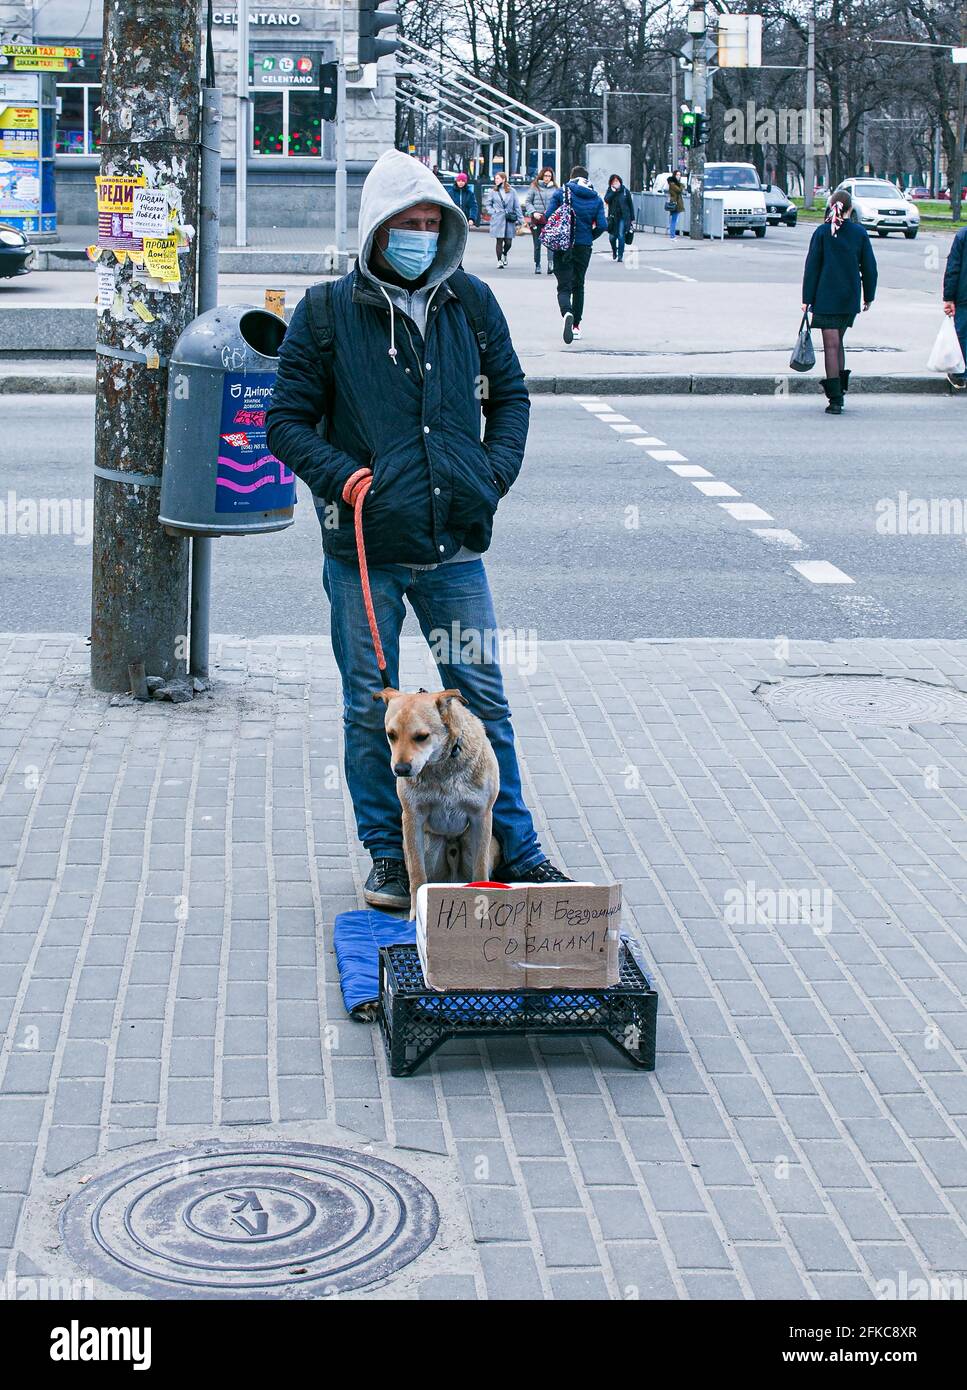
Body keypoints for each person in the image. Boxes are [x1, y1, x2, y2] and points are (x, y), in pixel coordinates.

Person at [265, 150, 569, 909]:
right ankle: (389, 855)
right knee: (370, 705)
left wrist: (487, 474)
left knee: (482, 703)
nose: (422, 235)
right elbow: (283, 422)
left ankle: (516, 847)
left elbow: (513, 397)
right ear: (377, 230)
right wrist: (341, 476)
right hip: (363, 548)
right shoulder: (328, 310)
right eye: (408, 224)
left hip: (454, 545)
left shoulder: (470, 301)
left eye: (433, 223)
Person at [801, 189, 877, 414]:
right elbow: (869, 268)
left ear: (831, 206)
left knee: (831, 346)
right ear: (851, 209)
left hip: (825, 297)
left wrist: (807, 298)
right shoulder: (859, 233)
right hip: (848, 298)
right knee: (839, 343)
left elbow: (812, 267)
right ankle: (840, 391)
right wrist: (868, 296)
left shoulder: (823, 232)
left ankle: (835, 399)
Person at [545, 164, 606, 343]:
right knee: (579, 285)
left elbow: (549, 216)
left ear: (572, 177)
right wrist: (589, 237)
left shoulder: (561, 193)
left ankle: (567, 313)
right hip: (583, 246)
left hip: (563, 244)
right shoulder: (596, 198)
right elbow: (602, 225)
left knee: (564, 287)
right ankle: (576, 326)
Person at [942, 224, 967, 389]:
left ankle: (961, 374)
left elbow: (954, 267)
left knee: (963, 335)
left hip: (964, 295)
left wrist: (949, 297)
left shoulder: (963, 235)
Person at [523, 166, 558, 275]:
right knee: (537, 244)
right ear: (542, 175)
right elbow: (528, 202)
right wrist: (534, 212)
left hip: (550, 220)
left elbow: (559, 203)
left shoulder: (555, 189)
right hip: (537, 219)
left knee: (550, 243)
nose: (547, 178)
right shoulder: (534, 187)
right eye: (546, 175)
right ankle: (537, 264)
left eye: (549, 176)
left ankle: (550, 264)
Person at [486, 171, 522, 268]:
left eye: (497, 178)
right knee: (499, 240)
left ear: (503, 179)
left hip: (509, 218)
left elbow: (517, 206)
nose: (495, 180)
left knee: (508, 242)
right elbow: (488, 204)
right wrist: (493, 211)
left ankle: (504, 253)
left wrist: (521, 220)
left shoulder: (512, 191)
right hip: (498, 218)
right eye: (495, 178)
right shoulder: (493, 191)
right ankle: (499, 260)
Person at [604, 173, 634, 262]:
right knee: (612, 237)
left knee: (621, 235)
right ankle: (614, 251)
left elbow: (630, 204)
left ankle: (620, 255)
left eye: (617, 181)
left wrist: (632, 218)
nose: (615, 183)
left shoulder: (625, 191)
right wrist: (613, 191)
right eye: (613, 181)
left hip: (623, 217)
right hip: (613, 218)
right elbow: (606, 199)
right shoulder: (610, 191)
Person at [666, 172, 685, 239]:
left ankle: (672, 234)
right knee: (674, 219)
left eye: (679, 175)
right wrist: (682, 185)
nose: (678, 176)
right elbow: (679, 190)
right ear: (674, 175)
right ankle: (672, 235)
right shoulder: (672, 183)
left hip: (675, 203)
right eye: (677, 175)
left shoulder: (675, 183)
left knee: (674, 219)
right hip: (675, 203)